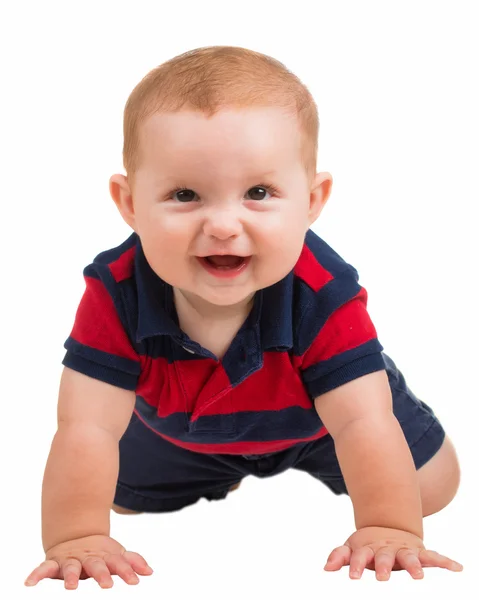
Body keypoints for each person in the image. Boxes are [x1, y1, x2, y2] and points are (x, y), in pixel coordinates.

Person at [25, 46, 463, 590]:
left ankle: (382, 416)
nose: (224, 224)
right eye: (185, 195)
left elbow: (361, 423)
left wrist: (389, 528)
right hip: (181, 430)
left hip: (322, 423)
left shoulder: (323, 292)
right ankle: (218, 473)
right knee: (117, 498)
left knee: (435, 488)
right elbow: (85, 425)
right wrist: (76, 535)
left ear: (312, 199)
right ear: (130, 202)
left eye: (258, 193)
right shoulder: (117, 289)